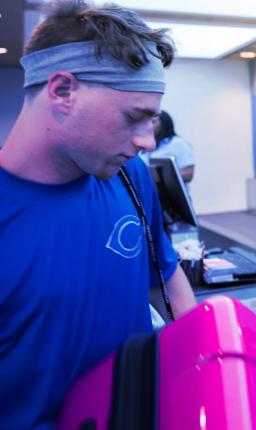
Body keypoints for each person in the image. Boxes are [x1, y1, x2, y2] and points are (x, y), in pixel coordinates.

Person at [0, 1, 197, 429]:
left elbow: (163, 276)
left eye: (153, 122)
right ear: (62, 91)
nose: (147, 142)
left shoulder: (130, 176)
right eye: (134, 118)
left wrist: (205, 363)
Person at [140, 110, 195, 183]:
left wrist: (159, 176)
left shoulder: (177, 143)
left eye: (153, 122)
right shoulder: (144, 143)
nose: (149, 126)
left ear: (164, 124)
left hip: (169, 190)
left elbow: (188, 174)